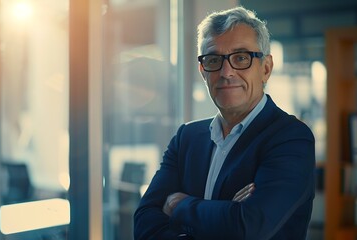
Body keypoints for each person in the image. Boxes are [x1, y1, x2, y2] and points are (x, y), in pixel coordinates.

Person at [133, 6, 315, 240]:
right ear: (203, 70)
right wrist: (225, 213)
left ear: (266, 68)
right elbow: (144, 224)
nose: (226, 71)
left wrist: (180, 204)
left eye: (241, 58)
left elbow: (248, 227)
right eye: (214, 59)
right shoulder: (186, 138)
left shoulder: (290, 138)